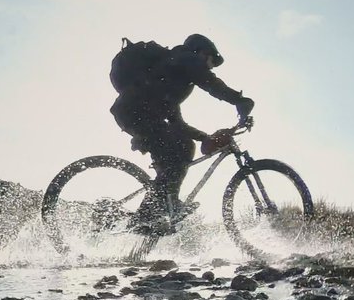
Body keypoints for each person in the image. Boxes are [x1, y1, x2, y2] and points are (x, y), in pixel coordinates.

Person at [109, 34, 255, 233]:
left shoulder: (171, 79)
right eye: (212, 61)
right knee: (181, 148)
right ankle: (147, 216)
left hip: (136, 113)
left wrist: (205, 137)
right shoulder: (186, 58)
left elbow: (178, 125)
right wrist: (239, 100)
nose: (210, 67)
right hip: (135, 112)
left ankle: (159, 210)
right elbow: (210, 83)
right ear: (202, 52)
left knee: (181, 147)